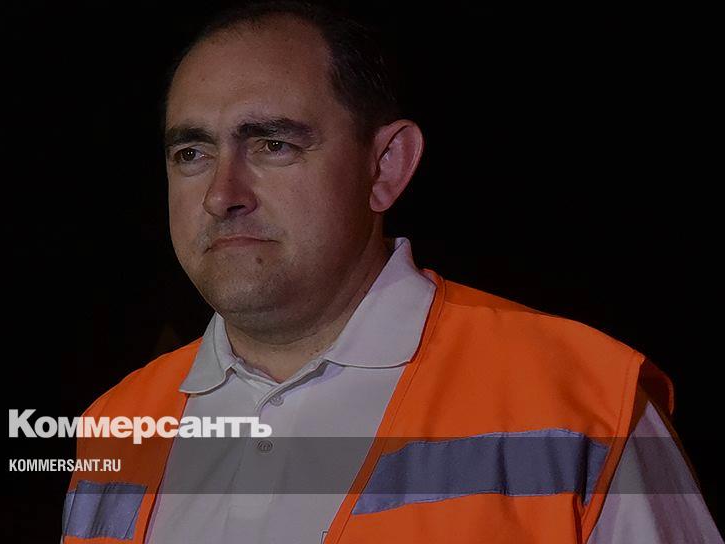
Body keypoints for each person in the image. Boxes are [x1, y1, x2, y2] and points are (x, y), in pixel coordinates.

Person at [61, 2, 722, 543]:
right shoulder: (115, 426)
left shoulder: (582, 403)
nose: (221, 194)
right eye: (192, 153)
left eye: (273, 144)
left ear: (386, 167)